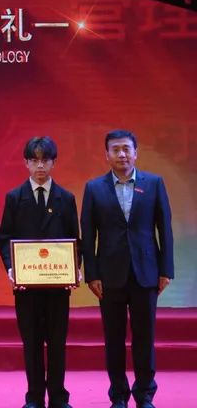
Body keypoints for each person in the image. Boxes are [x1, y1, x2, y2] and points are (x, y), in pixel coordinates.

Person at [80, 129, 174, 408]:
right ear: (106, 155)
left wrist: (166, 270)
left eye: (126, 149)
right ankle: (118, 395)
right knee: (114, 339)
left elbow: (164, 229)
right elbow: (88, 234)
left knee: (145, 338)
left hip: (146, 272)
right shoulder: (94, 188)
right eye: (115, 149)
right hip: (109, 276)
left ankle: (145, 394)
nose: (121, 154)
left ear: (136, 153)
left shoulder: (154, 183)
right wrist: (92, 274)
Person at [0, 137, 80, 408]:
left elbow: (74, 239)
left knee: (57, 343)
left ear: (54, 162)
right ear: (26, 163)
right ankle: (33, 397)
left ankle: (58, 397)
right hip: (26, 286)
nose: (40, 166)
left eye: (45, 160)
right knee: (31, 342)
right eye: (34, 160)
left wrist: (75, 269)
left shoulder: (66, 198)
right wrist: (12, 268)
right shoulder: (14, 197)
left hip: (57, 284)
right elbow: (5, 238)